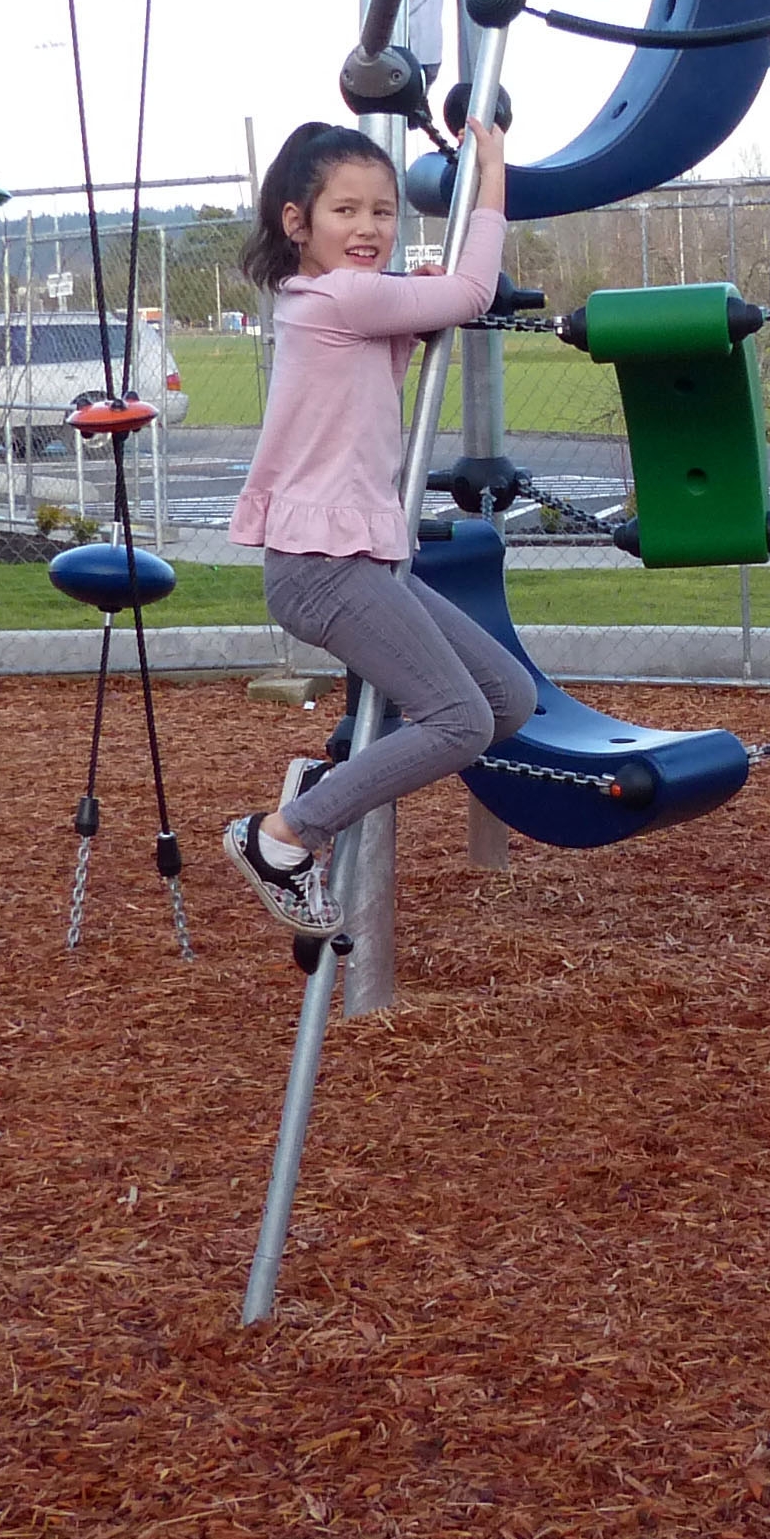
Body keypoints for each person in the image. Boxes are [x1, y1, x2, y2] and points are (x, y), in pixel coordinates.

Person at [220, 114, 533, 936]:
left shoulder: (333, 298)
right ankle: (282, 838)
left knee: (505, 700)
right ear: (298, 223)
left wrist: (417, 292)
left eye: (384, 212)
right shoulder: (344, 296)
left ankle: (322, 792)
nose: (368, 228)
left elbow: (419, 314)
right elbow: (472, 293)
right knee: (460, 720)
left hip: (352, 558)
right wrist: (492, 175)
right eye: (346, 211)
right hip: (322, 567)